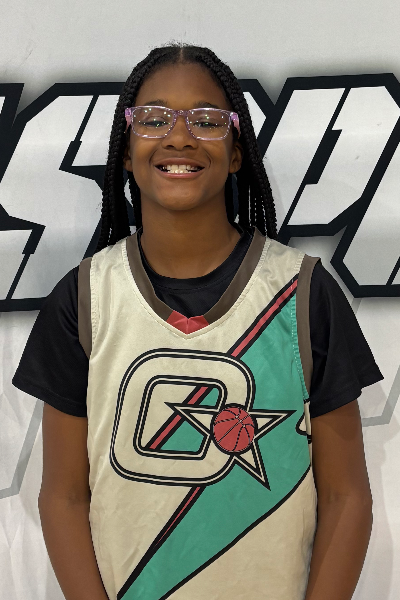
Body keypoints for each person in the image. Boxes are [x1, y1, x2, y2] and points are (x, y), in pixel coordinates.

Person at [13, 44, 383, 600]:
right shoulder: (84, 298)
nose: (180, 137)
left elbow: (346, 496)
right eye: (154, 118)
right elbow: (62, 497)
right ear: (126, 150)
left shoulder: (304, 293)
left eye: (207, 120)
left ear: (236, 153)